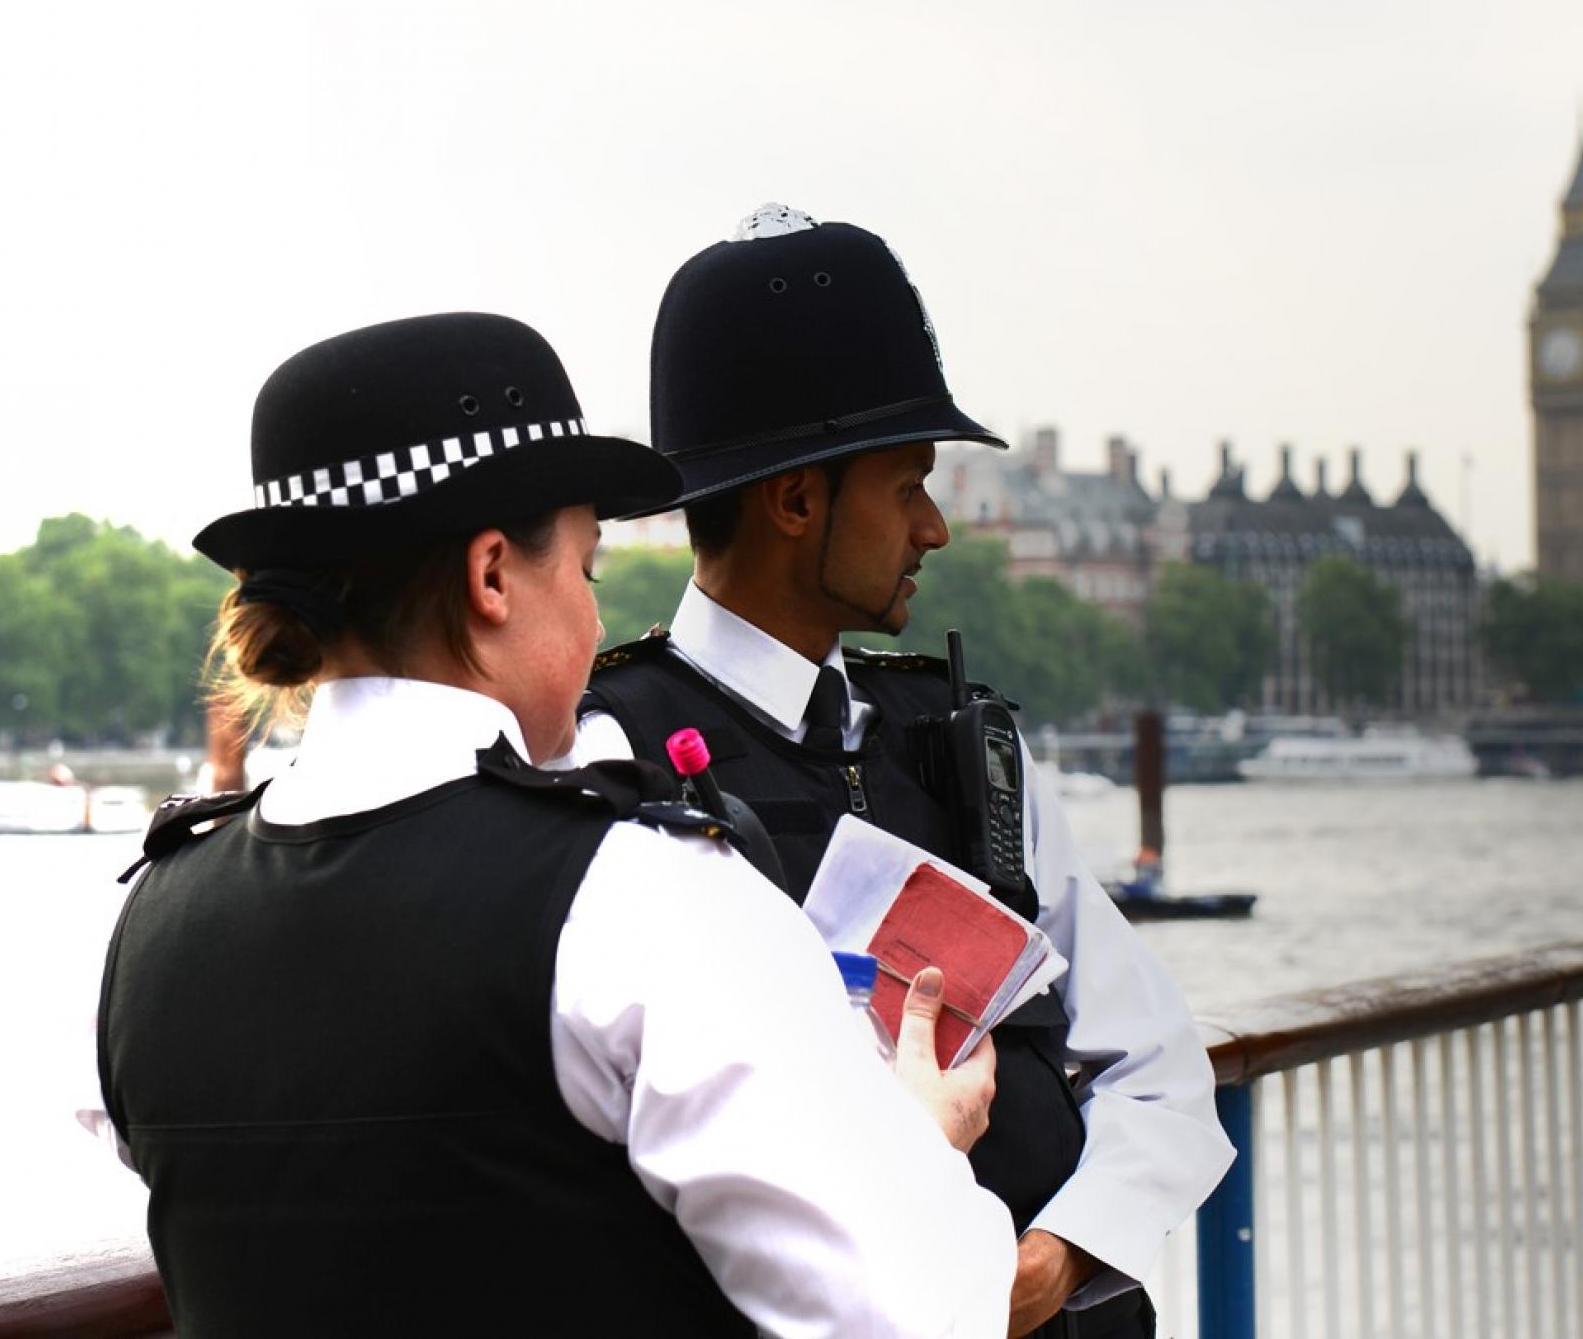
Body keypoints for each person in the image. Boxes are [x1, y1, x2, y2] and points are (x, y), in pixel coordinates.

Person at [84, 312, 1017, 1336]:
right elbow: (911, 1314)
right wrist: (913, 1147)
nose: (592, 617)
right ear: (492, 576)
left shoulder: (146, 924)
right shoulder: (641, 897)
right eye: (586, 571)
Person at [575, 208, 1235, 1338]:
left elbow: (1161, 1071)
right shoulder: (606, 764)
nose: (933, 527)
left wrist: (1043, 1268)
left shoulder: (961, 739)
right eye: (907, 484)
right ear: (796, 502)